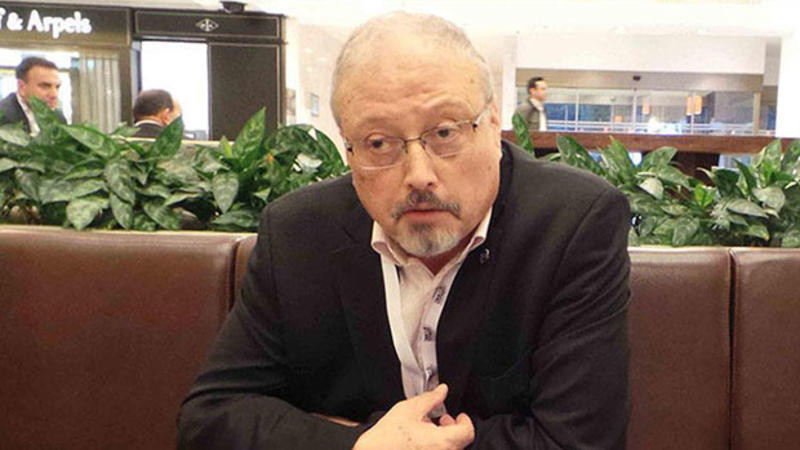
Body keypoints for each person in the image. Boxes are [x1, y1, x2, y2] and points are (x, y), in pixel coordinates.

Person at [178, 12, 630, 450]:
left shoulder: (573, 223)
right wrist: (357, 444)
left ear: (493, 124)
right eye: (379, 143)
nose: (419, 175)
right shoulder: (298, 233)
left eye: (445, 133)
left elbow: (579, 441)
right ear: (349, 150)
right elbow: (210, 419)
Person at [0, 56, 67, 135]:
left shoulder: (58, 117)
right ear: (22, 87)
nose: (54, 94)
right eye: (45, 86)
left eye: (57, 87)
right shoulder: (3, 116)